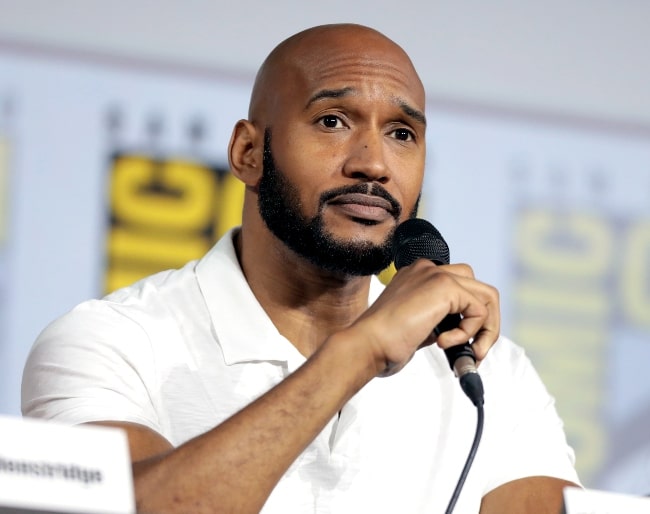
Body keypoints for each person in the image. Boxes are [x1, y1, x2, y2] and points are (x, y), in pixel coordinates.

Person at [21, 23, 580, 513]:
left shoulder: (488, 374)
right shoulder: (110, 342)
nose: (373, 163)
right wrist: (360, 351)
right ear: (248, 153)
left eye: (402, 134)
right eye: (333, 121)